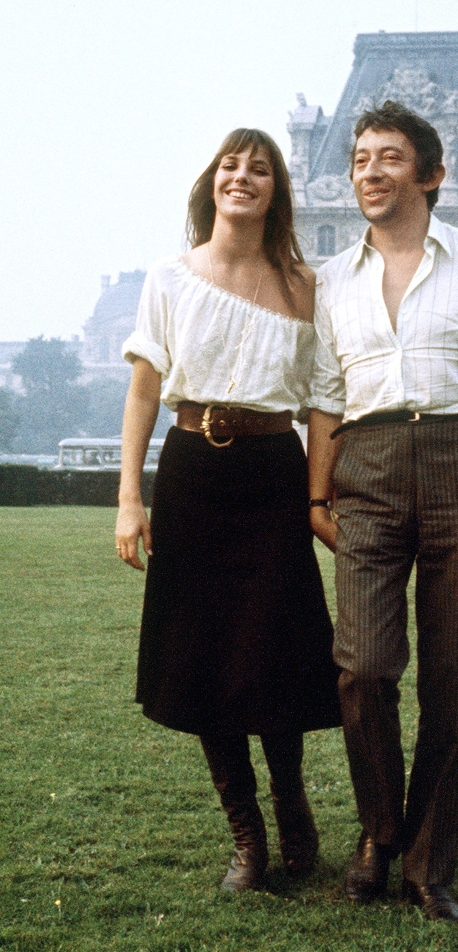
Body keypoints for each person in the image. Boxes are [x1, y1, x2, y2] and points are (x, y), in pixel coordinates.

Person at [307, 102, 458, 922]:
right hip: (364, 466)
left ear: (433, 174)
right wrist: (315, 490)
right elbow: (327, 398)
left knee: (453, 676)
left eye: (389, 157)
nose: (369, 170)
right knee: (362, 667)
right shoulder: (330, 278)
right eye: (360, 157)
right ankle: (379, 831)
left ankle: (428, 859)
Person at [115, 128, 341, 892]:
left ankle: (291, 799)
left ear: (276, 191)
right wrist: (128, 499)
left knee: (272, 647)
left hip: (273, 477)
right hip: (192, 479)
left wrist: (316, 494)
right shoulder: (170, 278)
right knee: (205, 653)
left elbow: (322, 407)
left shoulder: (304, 285)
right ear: (212, 182)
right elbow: (144, 391)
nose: (242, 176)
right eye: (230, 165)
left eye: (260, 169)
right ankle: (246, 836)